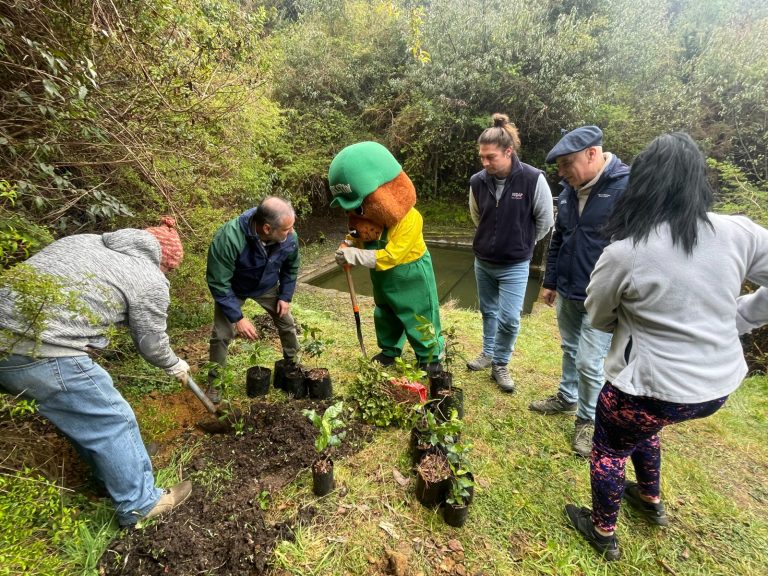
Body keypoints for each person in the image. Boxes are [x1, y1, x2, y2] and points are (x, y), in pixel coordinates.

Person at [564, 132, 768, 561]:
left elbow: (597, 315)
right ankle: (650, 500)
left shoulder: (626, 251)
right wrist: (741, 318)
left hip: (647, 388)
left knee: (610, 447)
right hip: (714, 389)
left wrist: (634, 319)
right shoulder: (738, 231)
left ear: (641, 184)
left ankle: (602, 531)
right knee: (645, 426)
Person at [0, 217, 193, 527]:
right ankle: (140, 504)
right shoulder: (149, 277)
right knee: (113, 419)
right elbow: (151, 343)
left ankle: (119, 466)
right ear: (164, 263)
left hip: (8, 347)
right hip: (41, 350)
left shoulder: (83, 241)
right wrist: (173, 363)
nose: (166, 275)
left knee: (85, 415)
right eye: (169, 271)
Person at [529, 126, 629, 457]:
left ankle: (589, 420)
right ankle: (567, 397)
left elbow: (639, 246)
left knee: (590, 361)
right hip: (568, 288)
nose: (561, 173)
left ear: (592, 153)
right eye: (558, 166)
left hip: (604, 297)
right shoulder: (568, 191)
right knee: (570, 348)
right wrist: (551, 281)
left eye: (566, 164)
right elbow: (560, 236)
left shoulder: (626, 187)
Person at [466, 113, 554, 392]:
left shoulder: (532, 179)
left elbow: (545, 221)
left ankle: (500, 364)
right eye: (482, 157)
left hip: (515, 264)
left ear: (508, 151)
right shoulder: (478, 181)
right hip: (484, 261)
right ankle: (488, 352)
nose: (485, 162)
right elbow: (477, 216)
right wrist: (490, 239)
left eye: (490, 157)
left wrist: (522, 242)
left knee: (510, 319)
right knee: (488, 311)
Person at [206, 197, 300, 398]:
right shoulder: (229, 238)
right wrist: (238, 318)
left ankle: (292, 365)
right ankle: (215, 383)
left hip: (267, 286)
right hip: (234, 289)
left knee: (287, 323)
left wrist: (285, 296)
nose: (292, 232)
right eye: (286, 229)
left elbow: (291, 267)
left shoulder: (289, 235)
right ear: (267, 228)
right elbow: (219, 283)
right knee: (221, 335)